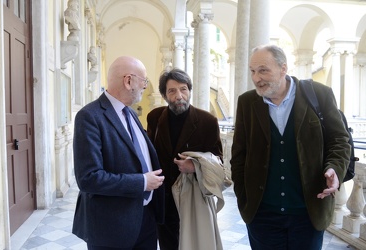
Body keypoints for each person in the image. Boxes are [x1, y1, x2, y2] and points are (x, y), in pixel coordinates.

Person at [230, 44, 351, 249]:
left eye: (263, 70)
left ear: (283, 68)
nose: (256, 78)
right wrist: (244, 198)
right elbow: (239, 154)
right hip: (262, 214)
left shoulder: (319, 95)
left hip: (308, 212)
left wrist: (334, 168)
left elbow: (340, 139)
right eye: (253, 71)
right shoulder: (247, 102)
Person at [72, 56, 165, 250]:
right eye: (144, 80)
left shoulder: (130, 113)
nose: (145, 86)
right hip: (112, 228)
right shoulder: (89, 116)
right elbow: (89, 178)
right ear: (128, 81)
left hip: (145, 219)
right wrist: (142, 182)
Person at [147, 68, 224, 250]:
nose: (179, 96)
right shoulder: (155, 118)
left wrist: (195, 166)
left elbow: (218, 161)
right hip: (163, 199)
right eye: (172, 91)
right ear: (165, 95)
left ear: (189, 90)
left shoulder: (208, 121)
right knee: (167, 245)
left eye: (183, 89)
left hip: (193, 199)